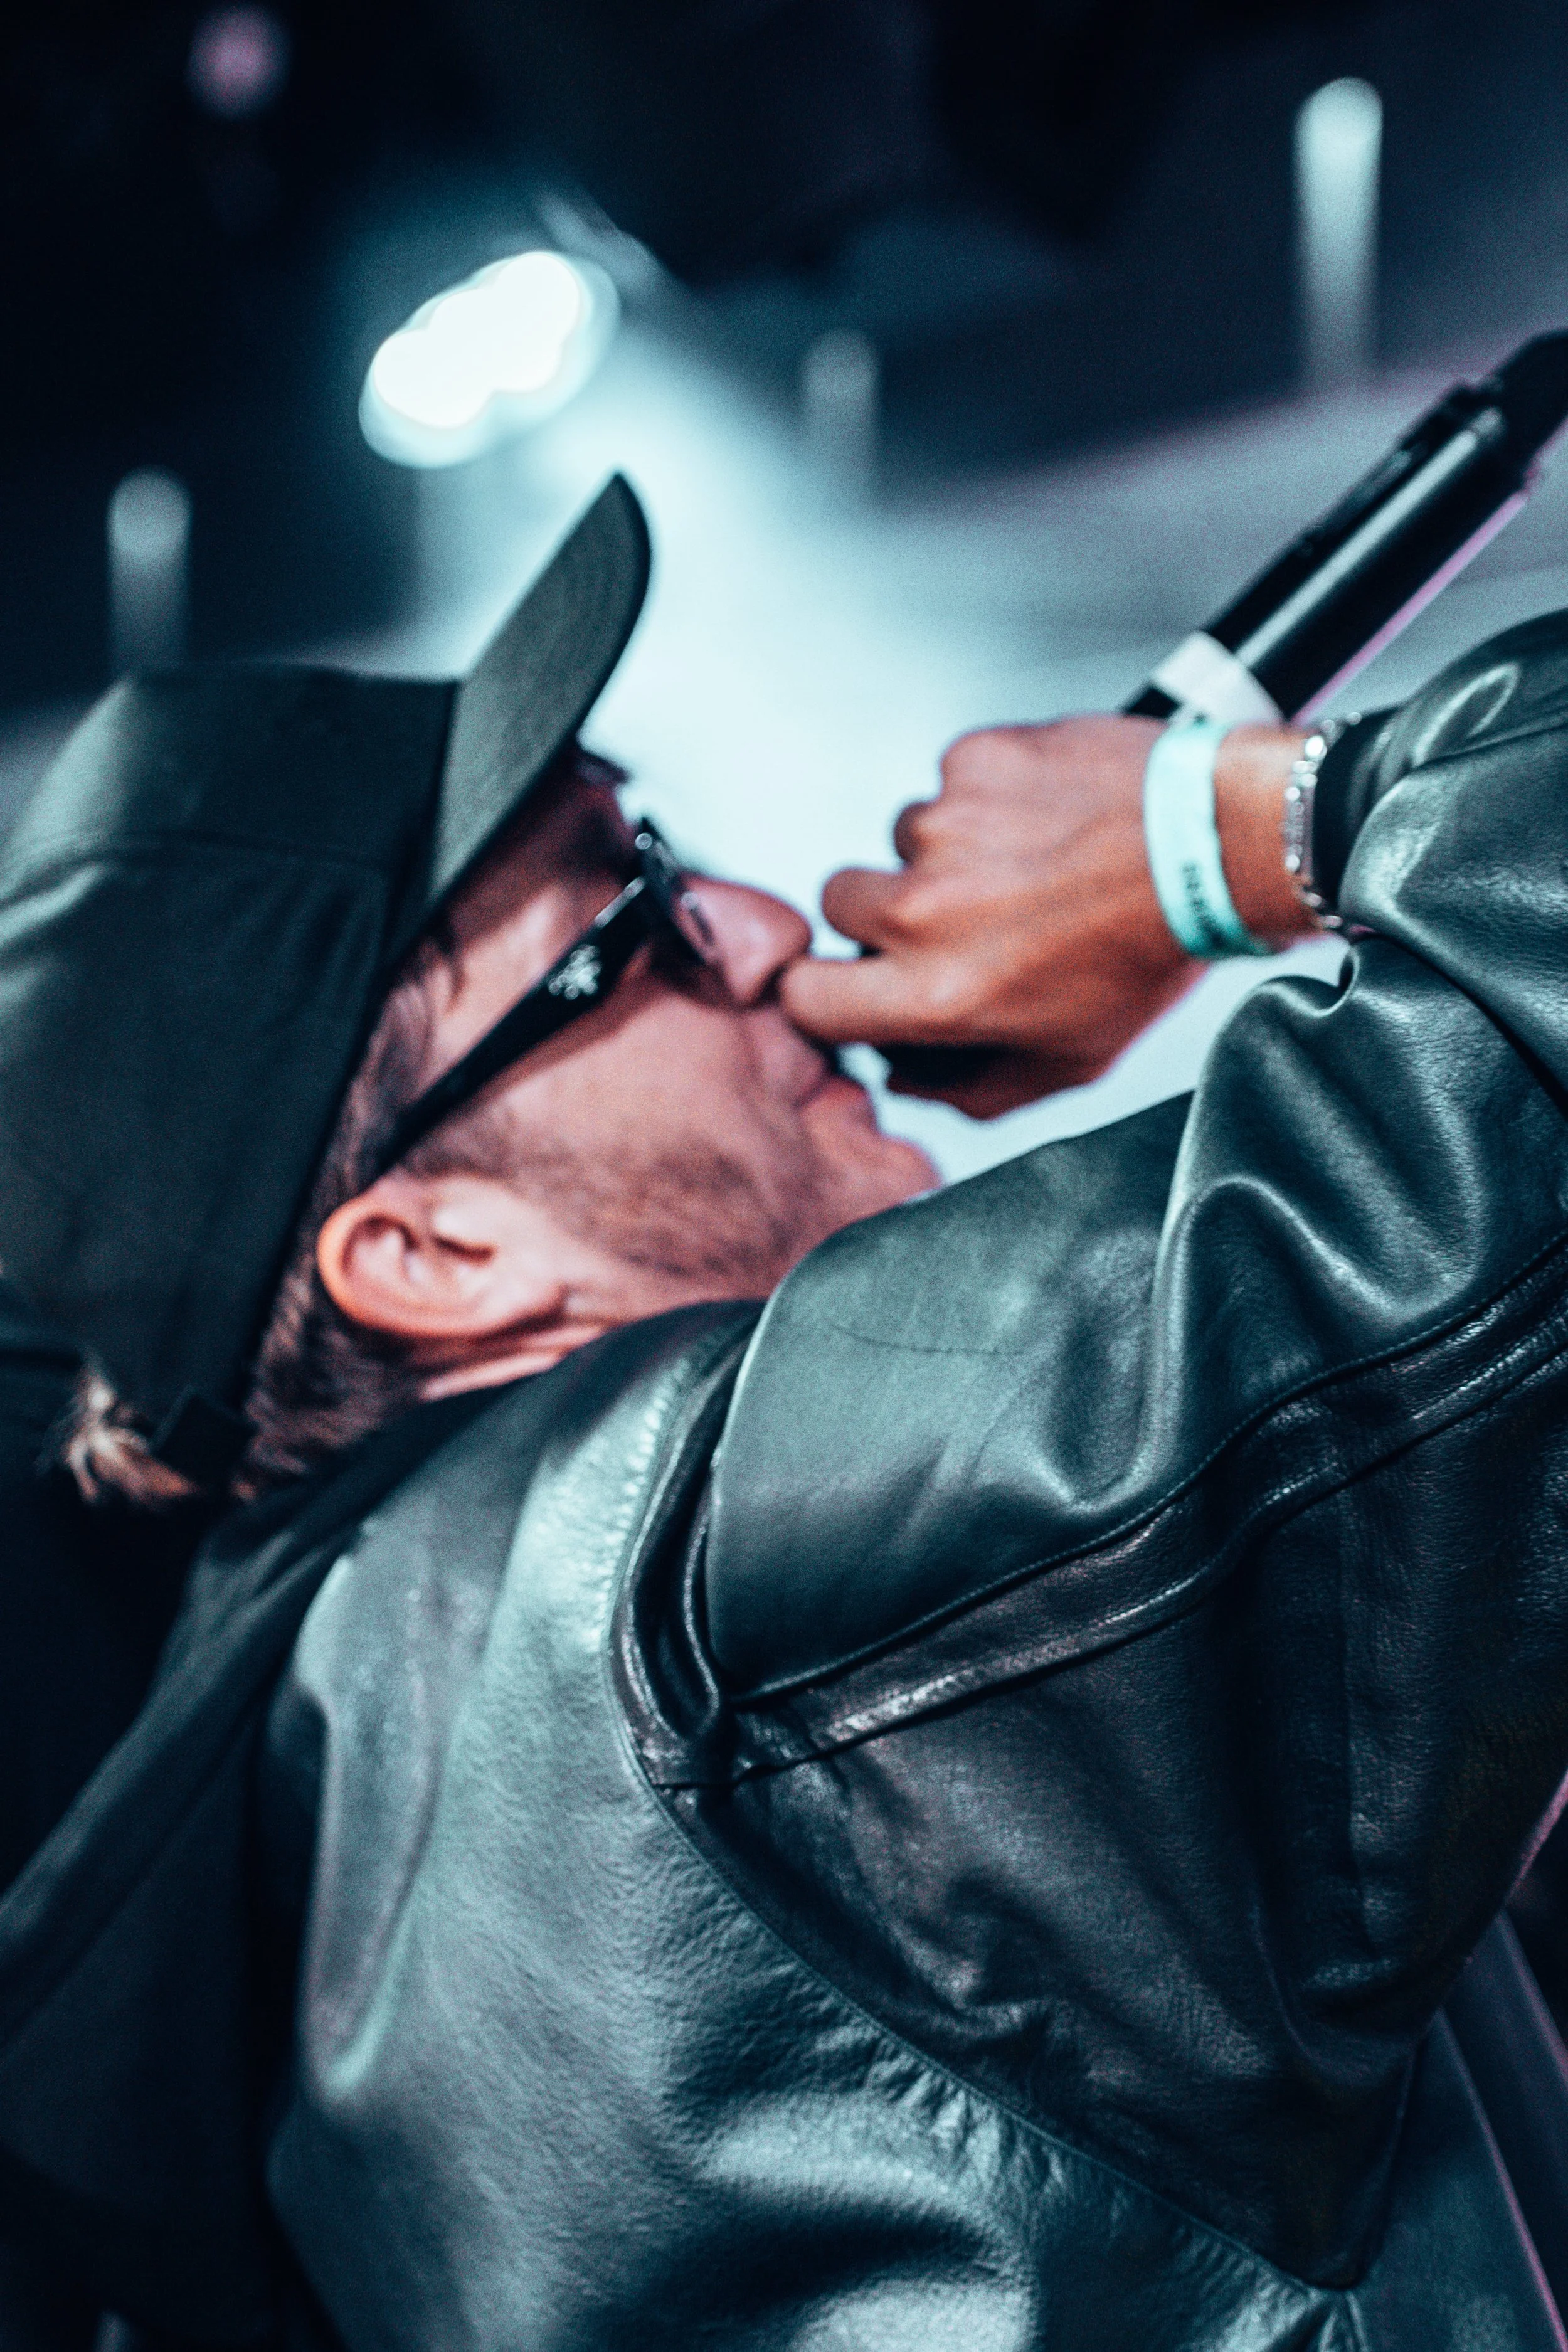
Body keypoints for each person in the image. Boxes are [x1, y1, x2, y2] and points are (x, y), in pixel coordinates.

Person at [0, 475, 1567, 2349]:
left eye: (665, 851)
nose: (748, 921)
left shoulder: (323, 1780)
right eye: (631, 926)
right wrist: (1250, 825)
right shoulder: (722, 1560)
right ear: (428, 1255)